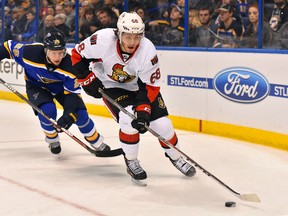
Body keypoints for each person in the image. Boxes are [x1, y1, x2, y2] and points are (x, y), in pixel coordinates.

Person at [70, 12, 196, 182]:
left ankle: (176, 157)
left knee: (163, 125)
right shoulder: (102, 40)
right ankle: (131, 162)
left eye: (137, 37)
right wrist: (86, 78)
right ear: (119, 33)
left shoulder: (147, 50)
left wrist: (143, 111)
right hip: (111, 85)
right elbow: (77, 55)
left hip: (139, 87)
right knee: (128, 119)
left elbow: (150, 86)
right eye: (128, 37)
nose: (132, 42)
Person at [0, 32, 111, 155]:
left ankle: (95, 140)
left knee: (80, 114)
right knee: (47, 111)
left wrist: (68, 114)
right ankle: (52, 139)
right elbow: (7, 47)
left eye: (60, 52)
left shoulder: (71, 66)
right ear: (45, 50)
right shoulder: (29, 53)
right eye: (53, 52)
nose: (57, 57)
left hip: (61, 88)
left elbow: (72, 94)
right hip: (36, 85)